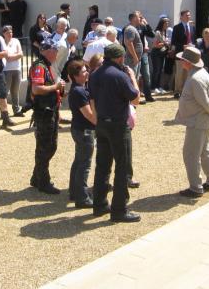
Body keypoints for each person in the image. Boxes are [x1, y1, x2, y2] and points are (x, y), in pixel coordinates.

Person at [89, 43, 141, 222]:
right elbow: (136, 98)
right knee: (122, 166)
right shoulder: (120, 75)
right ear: (119, 58)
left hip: (102, 123)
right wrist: (133, 77)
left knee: (102, 165)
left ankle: (99, 204)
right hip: (118, 125)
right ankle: (119, 209)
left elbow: (93, 99)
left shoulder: (94, 74)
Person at [174, 47, 209, 198]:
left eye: (183, 59)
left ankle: (195, 187)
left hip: (197, 121)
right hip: (201, 120)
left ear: (188, 62)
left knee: (191, 154)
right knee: (205, 151)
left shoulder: (195, 78)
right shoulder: (202, 74)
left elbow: (205, 100)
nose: (181, 61)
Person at [29, 37, 64, 194]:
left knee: (46, 146)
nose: (56, 52)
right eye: (54, 50)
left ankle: (37, 178)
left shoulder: (46, 65)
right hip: (44, 112)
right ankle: (43, 181)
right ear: (47, 51)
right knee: (47, 146)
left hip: (50, 110)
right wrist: (55, 87)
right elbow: (36, 89)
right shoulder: (40, 67)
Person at [67, 60, 97, 208]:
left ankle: (75, 191)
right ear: (75, 76)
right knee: (84, 163)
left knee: (79, 160)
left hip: (78, 129)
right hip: (84, 130)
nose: (87, 73)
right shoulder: (79, 91)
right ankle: (82, 197)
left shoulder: (79, 88)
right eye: (84, 72)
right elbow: (89, 115)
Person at [171, 10, 196, 98]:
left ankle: (185, 91)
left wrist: (193, 45)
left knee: (188, 73)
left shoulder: (192, 27)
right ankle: (177, 91)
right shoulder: (177, 27)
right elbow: (173, 42)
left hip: (190, 54)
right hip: (180, 54)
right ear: (181, 17)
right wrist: (183, 46)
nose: (188, 17)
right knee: (180, 73)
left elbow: (194, 39)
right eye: (186, 15)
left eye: (189, 15)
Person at [2, 25, 24, 117]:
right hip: (6, 70)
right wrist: (15, 56)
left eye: (11, 32)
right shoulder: (2, 42)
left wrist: (12, 56)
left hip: (17, 69)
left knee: (15, 91)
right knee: (5, 92)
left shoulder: (16, 41)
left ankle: (16, 110)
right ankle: (3, 111)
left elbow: (21, 54)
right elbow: (6, 57)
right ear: (4, 34)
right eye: (8, 33)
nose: (10, 34)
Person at [136, 11, 155, 103]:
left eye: (141, 17)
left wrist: (146, 23)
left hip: (143, 54)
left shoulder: (142, 27)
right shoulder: (129, 27)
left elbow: (152, 34)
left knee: (146, 75)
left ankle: (148, 96)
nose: (140, 19)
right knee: (135, 76)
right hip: (133, 54)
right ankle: (135, 97)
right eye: (139, 17)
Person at [150, 17, 171, 94]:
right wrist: (165, 43)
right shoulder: (158, 32)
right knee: (156, 71)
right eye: (166, 23)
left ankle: (158, 87)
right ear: (162, 23)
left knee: (160, 71)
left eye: (168, 23)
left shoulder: (164, 32)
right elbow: (155, 45)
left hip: (162, 53)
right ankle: (153, 87)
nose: (167, 24)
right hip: (156, 53)